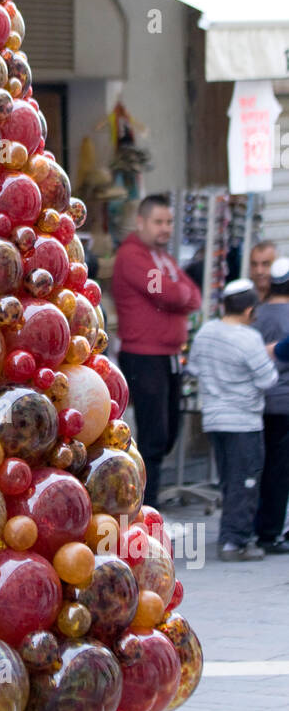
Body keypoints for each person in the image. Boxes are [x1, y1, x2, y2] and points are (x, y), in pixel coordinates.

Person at [112, 194, 202, 506]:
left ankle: (148, 498)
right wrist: (180, 294)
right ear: (142, 222)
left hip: (169, 356)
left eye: (169, 222)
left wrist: (181, 294)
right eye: (158, 222)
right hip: (144, 356)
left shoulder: (162, 258)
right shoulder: (133, 255)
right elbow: (164, 293)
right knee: (154, 435)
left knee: (168, 431)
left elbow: (193, 294)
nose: (165, 228)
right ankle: (146, 504)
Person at [187, 279, 278, 561]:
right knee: (246, 481)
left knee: (229, 480)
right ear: (250, 310)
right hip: (243, 422)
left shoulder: (206, 332)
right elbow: (269, 379)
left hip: (214, 420)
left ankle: (230, 535)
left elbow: (193, 368)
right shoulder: (249, 339)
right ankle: (234, 543)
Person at [253, 257, 289, 552]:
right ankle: (271, 533)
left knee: (261, 468)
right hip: (286, 405)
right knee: (280, 472)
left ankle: (255, 527)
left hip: (259, 405)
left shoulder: (256, 314)